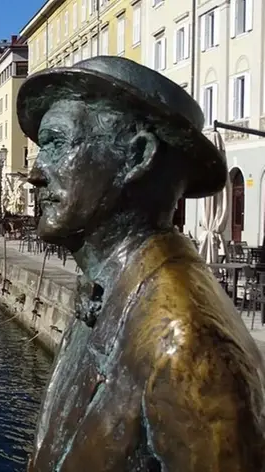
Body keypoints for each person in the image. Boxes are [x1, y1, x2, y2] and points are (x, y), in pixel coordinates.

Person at [17, 56, 265, 471]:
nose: (35, 173)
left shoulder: (189, 347)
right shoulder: (112, 293)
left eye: (57, 143)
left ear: (136, 157)